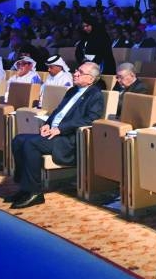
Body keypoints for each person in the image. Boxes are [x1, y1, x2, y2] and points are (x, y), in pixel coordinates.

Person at [7, 62, 105, 209]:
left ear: (91, 79)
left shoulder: (95, 95)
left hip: (68, 139)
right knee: (18, 140)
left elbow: (90, 119)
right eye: (76, 70)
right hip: (54, 133)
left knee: (30, 144)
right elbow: (58, 111)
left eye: (80, 72)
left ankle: (35, 192)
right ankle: (24, 188)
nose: (75, 73)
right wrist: (48, 123)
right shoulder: (72, 91)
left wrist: (61, 129)